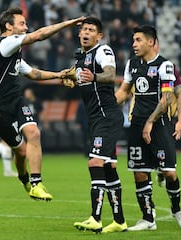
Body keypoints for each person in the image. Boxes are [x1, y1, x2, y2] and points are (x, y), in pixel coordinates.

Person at [0, 7, 85, 201]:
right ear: (8, 26)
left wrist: (59, 75)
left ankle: (37, 183)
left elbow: (33, 74)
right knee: (20, 152)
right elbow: (38, 36)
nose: (26, 27)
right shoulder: (5, 44)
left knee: (34, 133)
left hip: (15, 101)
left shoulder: (13, 52)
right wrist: (66, 24)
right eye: (22, 24)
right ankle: (24, 179)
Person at [115, 25, 181, 231]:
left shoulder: (165, 66)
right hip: (137, 123)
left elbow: (167, 98)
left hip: (159, 124)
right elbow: (123, 91)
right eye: (133, 40)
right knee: (139, 171)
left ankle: (177, 210)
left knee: (169, 172)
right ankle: (148, 218)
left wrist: (155, 121)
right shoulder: (131, 64)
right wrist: (107, 106)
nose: (134, 44)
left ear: (151, 42)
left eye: (138, 40)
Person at [65, 17, 127, 233]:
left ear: (99, 36)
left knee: (95, 163)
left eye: (91, 30)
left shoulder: (103, 51)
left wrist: (94, 78)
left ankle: (95, 217)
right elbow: (79, 78)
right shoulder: (80, 58)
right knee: (109, 168)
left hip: (107, 117)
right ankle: (119, 221)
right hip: (96, 118)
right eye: (83, 29)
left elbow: (110, 75)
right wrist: (71, 79)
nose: (85, 32)